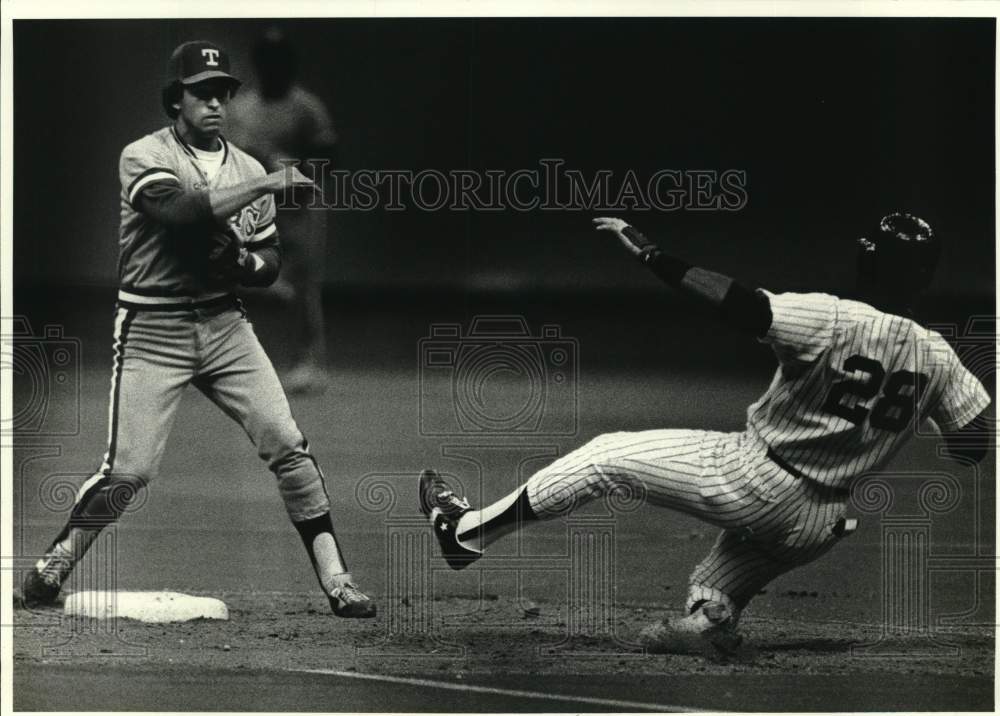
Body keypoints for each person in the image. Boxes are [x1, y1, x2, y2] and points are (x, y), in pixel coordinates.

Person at [419, 213, 990, 655]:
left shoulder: (833, 316)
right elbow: (974, 445)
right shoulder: (938, 357)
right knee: (713, 585)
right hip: (823, 522)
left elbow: (737, 303)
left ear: (867, 263)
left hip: (755, 478)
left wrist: (653, 255)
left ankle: (465, 533)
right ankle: (705, 623)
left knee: (604, 457)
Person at [20, 40, 376, 619]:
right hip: (151, 326)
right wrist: (267, 186)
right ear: (174, 100)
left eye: (223, 91)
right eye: (202, 91)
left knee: (289, 446)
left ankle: (338, 579)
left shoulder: (247, 165)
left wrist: (239, 264)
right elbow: (181, 211)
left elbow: (268, 264)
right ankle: (55, 562)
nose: (215, 102)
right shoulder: (143, 154)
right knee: (130, 470)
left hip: (223, 326)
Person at [226, 28, 336, 394]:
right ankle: (242, 363)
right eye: (268, 62)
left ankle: (307, 362)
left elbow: (328, 158)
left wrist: (296, 170)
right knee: (247, 281)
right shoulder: (240, 109)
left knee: (304, 287)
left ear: (290, 66)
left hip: (300, 207)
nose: (275, 69)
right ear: (259, 65)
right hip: (256, 207)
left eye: (281, 62)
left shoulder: (307, 108)